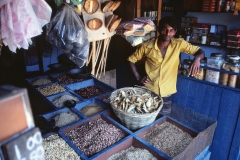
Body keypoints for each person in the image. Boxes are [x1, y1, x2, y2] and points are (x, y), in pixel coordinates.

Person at [127, 16, 205, 114]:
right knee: (146, 118)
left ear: (175, 32)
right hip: (149, 90)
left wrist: (197, 59)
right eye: (165, 29)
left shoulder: (179, 44)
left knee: (163, 120)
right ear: (159, 30)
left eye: (171, 30)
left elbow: (200, 52)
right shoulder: (147, 46)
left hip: (167, 92)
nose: (168, 33)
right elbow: (131, 60)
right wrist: (138, 77)